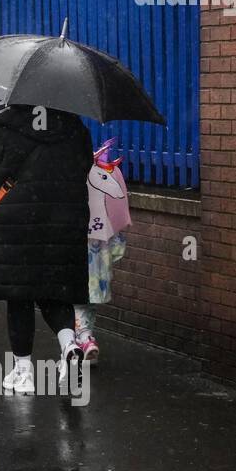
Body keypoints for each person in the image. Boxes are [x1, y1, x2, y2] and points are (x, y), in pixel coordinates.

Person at [0, 103, 92, 393]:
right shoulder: (75, 128)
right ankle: (68, 345)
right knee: (55, 289)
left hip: (16, 220)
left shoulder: (1, 127)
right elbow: (84, 166)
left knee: (20, 295)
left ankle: (23, 372)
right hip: (65, 219)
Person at [75, 139, 131, 363]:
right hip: (99, 253)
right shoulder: (105, 174)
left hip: (76, 250)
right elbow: (119, 217)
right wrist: (116, 249)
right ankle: (85, 336)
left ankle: (84, 338)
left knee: (75, 298)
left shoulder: (74, 178)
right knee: (89, 300)